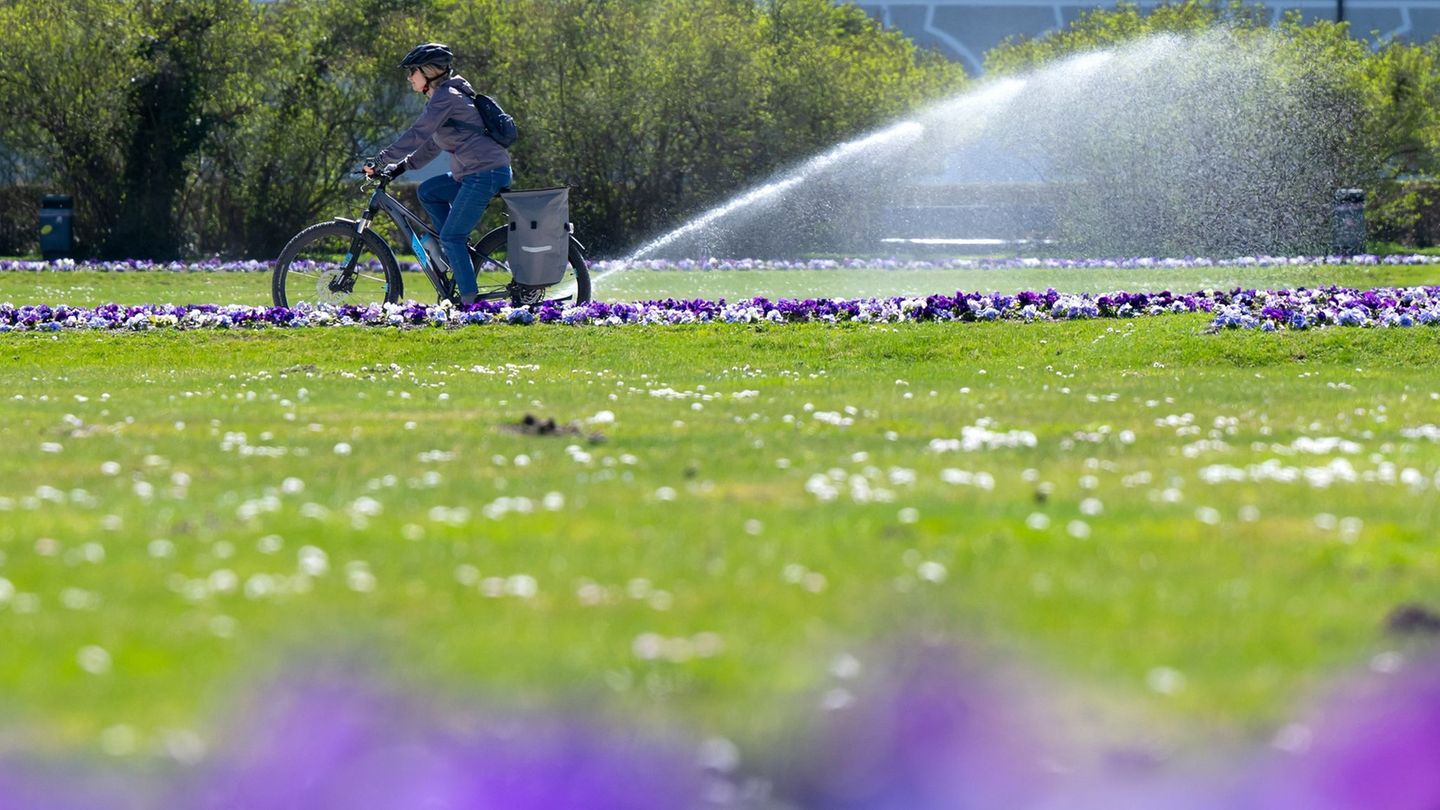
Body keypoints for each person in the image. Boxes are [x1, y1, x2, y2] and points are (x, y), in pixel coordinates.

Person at [366, 43, 513, 307]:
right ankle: (451, 254)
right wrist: (400, 167)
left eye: (413, 71)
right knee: (428, 191)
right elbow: (433, 144)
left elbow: (417, 134)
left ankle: (468, 302)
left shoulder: (446, 97)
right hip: (476, 172)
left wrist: (380, 159)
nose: (409, 77)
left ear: (429, 72)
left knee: (452, 236)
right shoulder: (447, 97)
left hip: (484, 172)